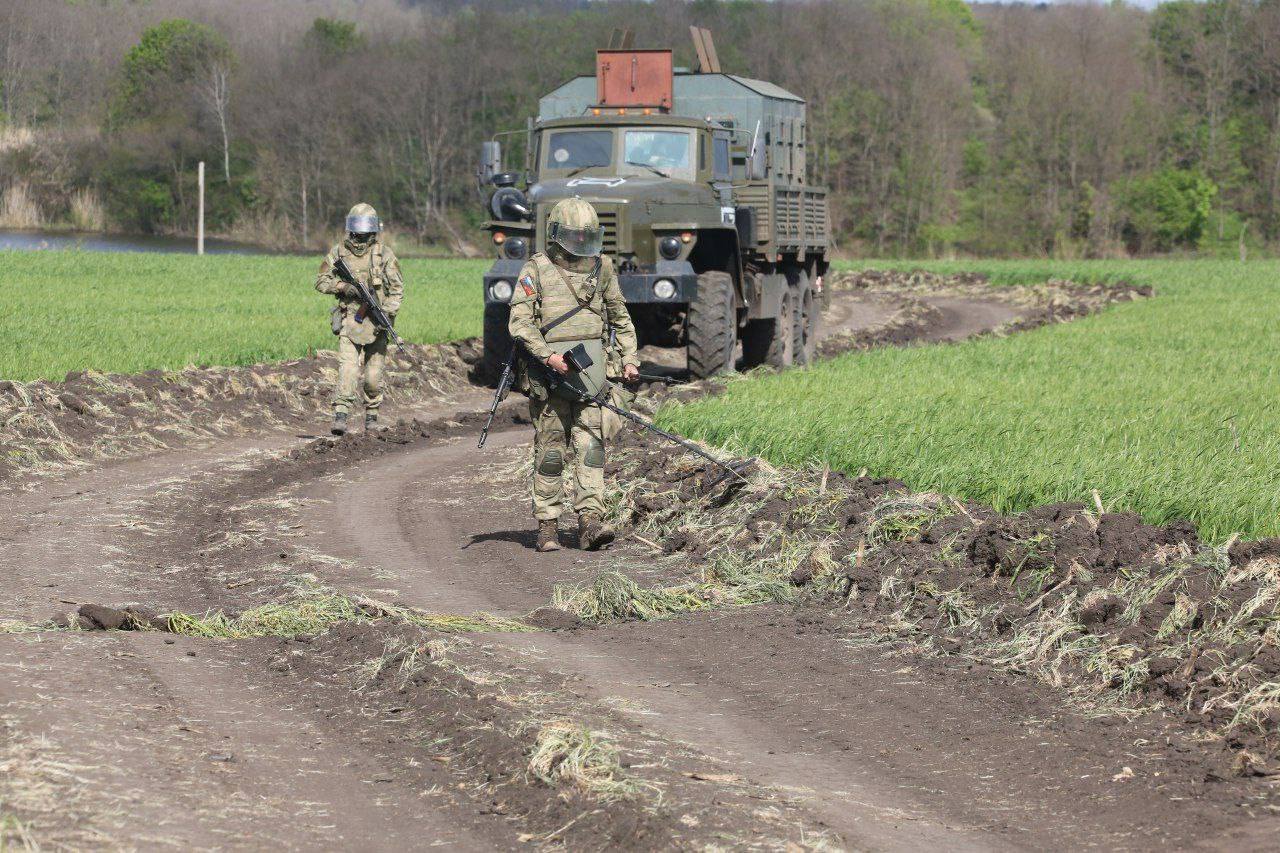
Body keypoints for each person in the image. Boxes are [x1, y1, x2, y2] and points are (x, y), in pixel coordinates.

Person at [508, 197, 639, 552]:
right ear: (556, 233)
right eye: (573, 237)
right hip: (550, 378)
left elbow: (620, 316)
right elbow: (520, 323)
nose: (580, 245)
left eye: (586, 238)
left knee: (591, 447)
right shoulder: (535, 270)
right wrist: (548, 356)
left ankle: (589, 523)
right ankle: (547, 526)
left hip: (593, 375)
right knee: (551, 452)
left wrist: (629, 358)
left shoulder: (603, 268)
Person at [315, 203, 404, 436]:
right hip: (350, 320)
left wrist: (388, 312)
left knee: (373, 377)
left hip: (378, 323)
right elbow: (321, 281)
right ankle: (341, 415)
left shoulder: (384, 254)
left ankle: (372, 417)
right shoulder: (338, 253)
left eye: (364, 232)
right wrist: (344, 286)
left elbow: (397, 288)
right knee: (348, 370)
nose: (360, 237)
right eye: (357, 231)